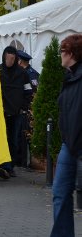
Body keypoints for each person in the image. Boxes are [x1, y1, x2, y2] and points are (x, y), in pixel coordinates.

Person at [51, 34, 82, 237]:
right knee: (60, 194)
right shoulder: (69, 77)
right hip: (68, 146)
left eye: (62, 51)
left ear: (71, 53)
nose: (60, 55)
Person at [0, 46, 32, 179]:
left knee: (13, 141)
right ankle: (3, 165)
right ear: (4, 57)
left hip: (17, 112)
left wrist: (23, 107)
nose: (9, 61)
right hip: (1, 112)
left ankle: (8, 167)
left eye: (12, 59)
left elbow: (28, 91)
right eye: (7, 58)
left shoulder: (23, 73)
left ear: (16, 58)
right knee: (2, 139)